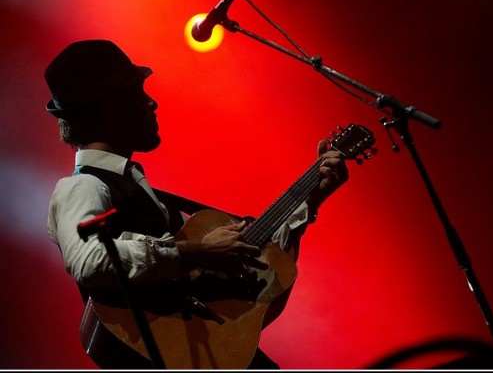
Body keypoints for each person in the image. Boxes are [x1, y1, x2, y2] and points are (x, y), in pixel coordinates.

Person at [44, 39, 349, 369]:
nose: (152, 103)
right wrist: (198, 250)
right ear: (110, 107)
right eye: (138, 93)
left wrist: (310, 200)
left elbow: (255, 266)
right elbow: (89, 260)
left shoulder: (137, 191)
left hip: (202, 351)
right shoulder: (82, 186)